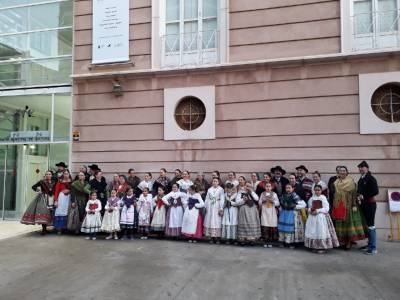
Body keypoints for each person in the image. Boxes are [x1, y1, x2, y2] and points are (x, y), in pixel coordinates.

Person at [332, 166, 366, 250]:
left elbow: (354, 194)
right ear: (338, 173)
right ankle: (342, 241)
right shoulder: (336, 182)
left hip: (349, 205)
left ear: (347, 172)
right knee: (341, 224)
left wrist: (354, 205)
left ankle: (349, 242)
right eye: (340, 171)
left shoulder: (350, 181)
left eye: (344, 170)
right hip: (339, 205)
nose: (342, 172)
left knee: (349, 223)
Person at [304, 185, 339, 253]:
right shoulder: (311, 198)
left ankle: (321, 247)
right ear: (314, 190)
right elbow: (309, 207)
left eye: (318, 190)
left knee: (320, 231)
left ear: (321, 191)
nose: (317, 191)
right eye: (316, 190)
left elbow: (326, 208)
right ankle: (314, 246)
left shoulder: (323, 198)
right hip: (312, 218)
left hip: (321, 217)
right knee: (313, 231)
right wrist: (310, 210)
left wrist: (317, 211)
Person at [21, 170, 56, 235]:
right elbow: (33, 187)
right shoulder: (41, 182)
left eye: (49, 174)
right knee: (44, 212)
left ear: (51, 175)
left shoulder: (54, 182)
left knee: (50, 213)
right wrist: (38, 190)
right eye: (47, 174)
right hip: (43, 198)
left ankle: (48, 228)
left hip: (52, 198)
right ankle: (44, 229)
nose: (48, 175)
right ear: (45, 175)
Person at [357, 161, 379, 255]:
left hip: (370, 205)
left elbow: (375, 191)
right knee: (367, 226)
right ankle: (369, 244)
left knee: (371, 225)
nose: (361, 169)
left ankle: (373, 248)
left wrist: (363, 196)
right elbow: (359, 190)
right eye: (360, 167)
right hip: (363, 205)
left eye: (363, 167)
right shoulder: (361, 179)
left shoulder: (371, 178)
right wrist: (358, 195)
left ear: (367, 168)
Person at [204, 177, 225, 244]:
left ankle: (218, 237)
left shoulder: (221, 189)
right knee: (210, 220)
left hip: (217, 206)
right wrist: (206, 206)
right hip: (210, 206)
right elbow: (207, 198)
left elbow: (222, 198)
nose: (214, 182)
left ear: (218, 182)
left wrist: (221, 208)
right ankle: (212, 237)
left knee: (217, 221)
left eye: (216, 181)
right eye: (213, 181)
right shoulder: (209, 189)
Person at [259, 182, 280, 248]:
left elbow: (277, 203)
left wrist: (273, 201)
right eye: (266, 186)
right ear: (264, 187)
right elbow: (259, 202)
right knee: (265, 226)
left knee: (271, 226)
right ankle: (265, 241)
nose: (268, 188)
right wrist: (262, 201)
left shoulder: (274, 194)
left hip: (272, 212)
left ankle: (270, 241)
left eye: (269, 186)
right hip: (265, 211)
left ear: (271, 187)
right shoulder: (262, 194)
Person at [53, 169, 72, 235]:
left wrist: (69, 191)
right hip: (61, 198)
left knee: (67, 211)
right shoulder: (60, 181)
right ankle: (59, 229)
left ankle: (66, 228)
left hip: (69, 198)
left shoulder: (71, 181)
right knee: (60, 212)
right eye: (65, 173)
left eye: (67, 173)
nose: (66, 175)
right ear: (63, 174)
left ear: (69, 174)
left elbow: (73, 190)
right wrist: (56, 200)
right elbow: (56, 191)